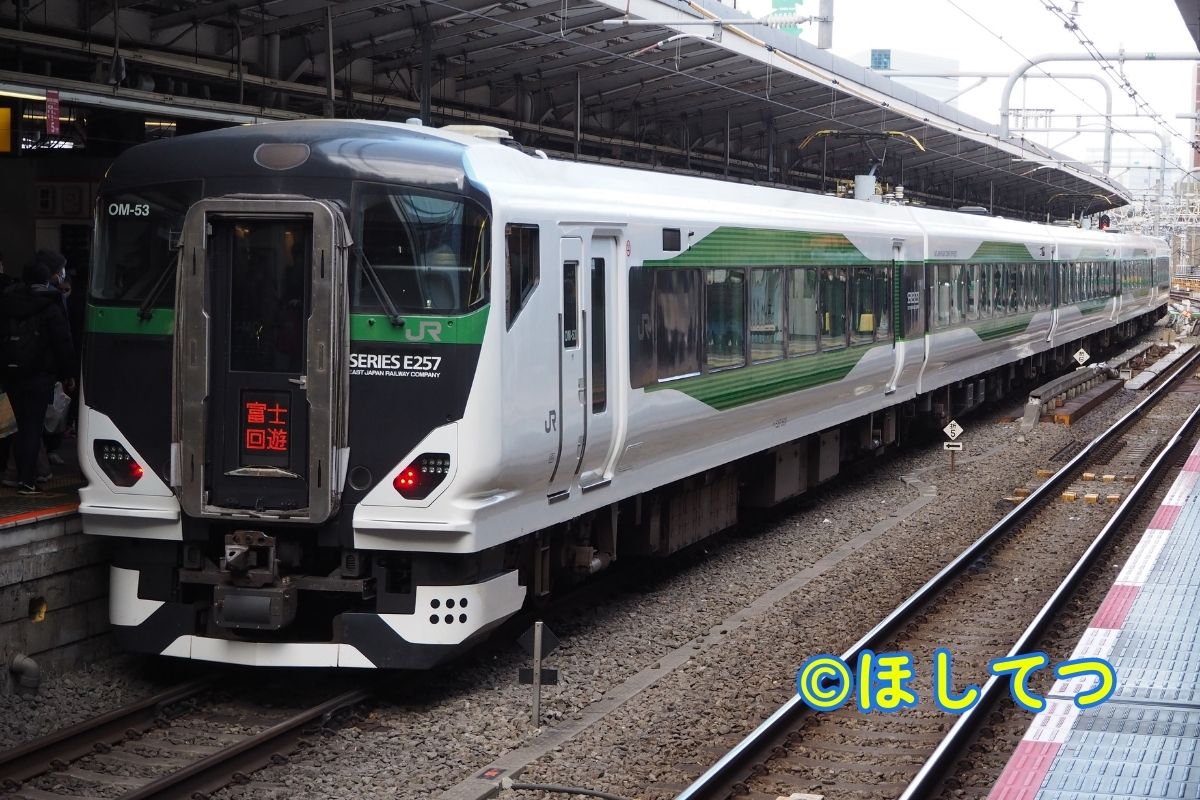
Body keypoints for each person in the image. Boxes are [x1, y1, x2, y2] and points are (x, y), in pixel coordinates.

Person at [0, 251, 76, 495]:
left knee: (15, 426)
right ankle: (26, 480)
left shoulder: (7, 300)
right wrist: (68, 374)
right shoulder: (51, 304)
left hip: (10, 374)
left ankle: (13, 474)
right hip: (39, 375)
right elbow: (62, 342)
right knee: (32, 427)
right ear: (47, 277)